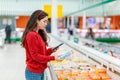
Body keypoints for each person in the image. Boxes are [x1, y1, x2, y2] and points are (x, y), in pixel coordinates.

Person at [21, 10, 62, 80]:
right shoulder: (31, 35)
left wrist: (51, 50)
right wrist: (53, 58)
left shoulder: (38, 34)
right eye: (44, 21)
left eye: (47, 21)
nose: (46, 24)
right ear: (37, 20)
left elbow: (41, 53)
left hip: (39, 72)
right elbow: (35, 56)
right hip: (33, 73)